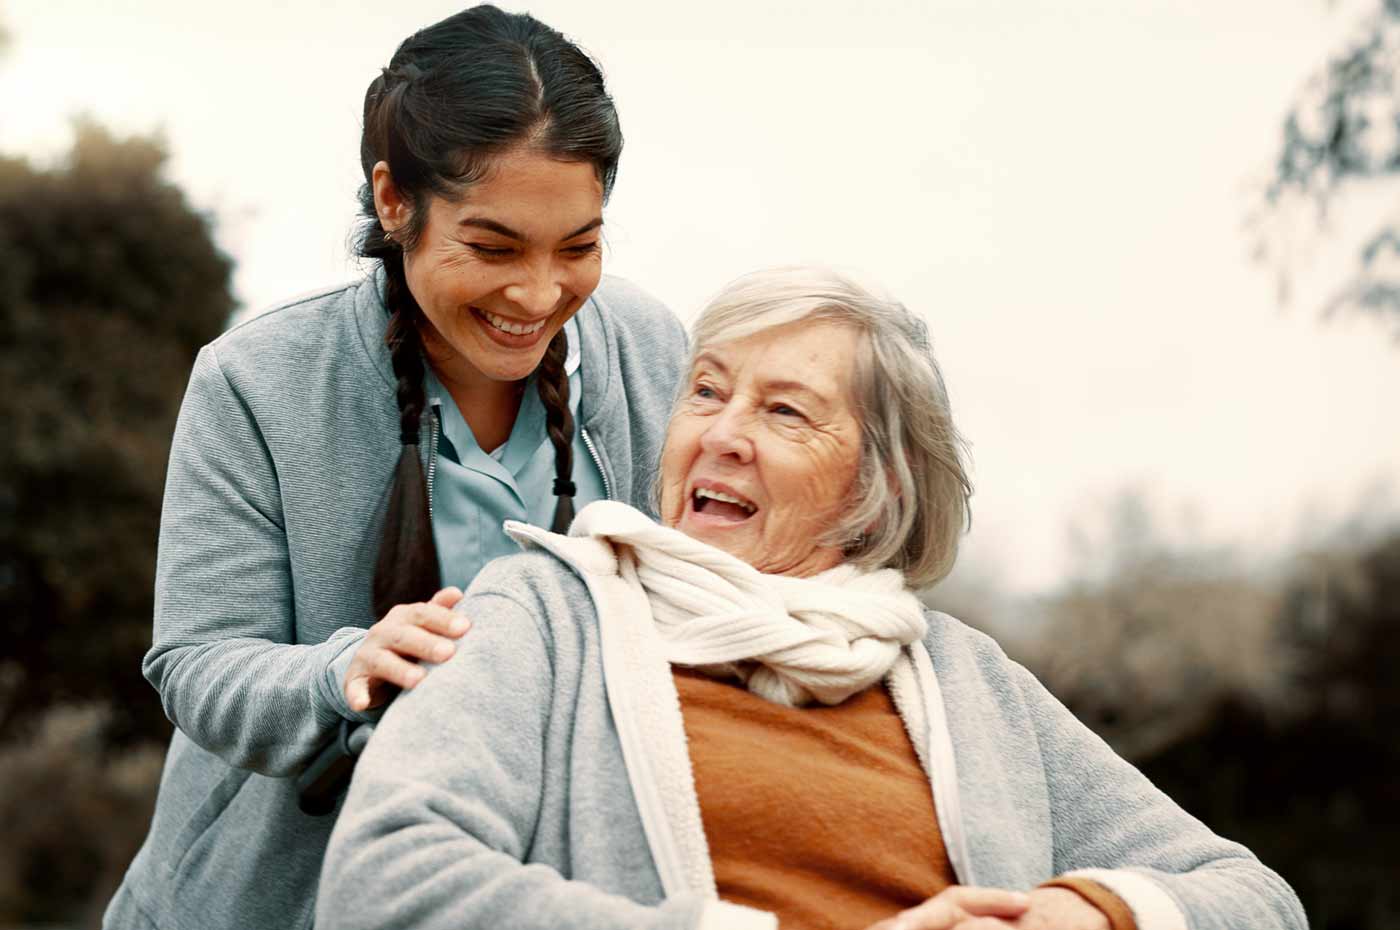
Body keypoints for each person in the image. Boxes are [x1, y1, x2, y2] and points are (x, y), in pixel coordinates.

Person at [317, 265, 1307, 930]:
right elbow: (381, 877)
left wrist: (1085, 911)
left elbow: (1253, 898)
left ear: (874, 486)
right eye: (704, 392)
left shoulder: (961, 678)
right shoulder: (544, 616)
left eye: (782, 411)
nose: (721, 433)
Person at [103, 7, 687, 930]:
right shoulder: (256, 381)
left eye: (578, 247)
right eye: (492, 248)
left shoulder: (649, 347)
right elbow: (197, 663)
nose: (538, 296)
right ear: (393, 201)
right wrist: (344, 670)